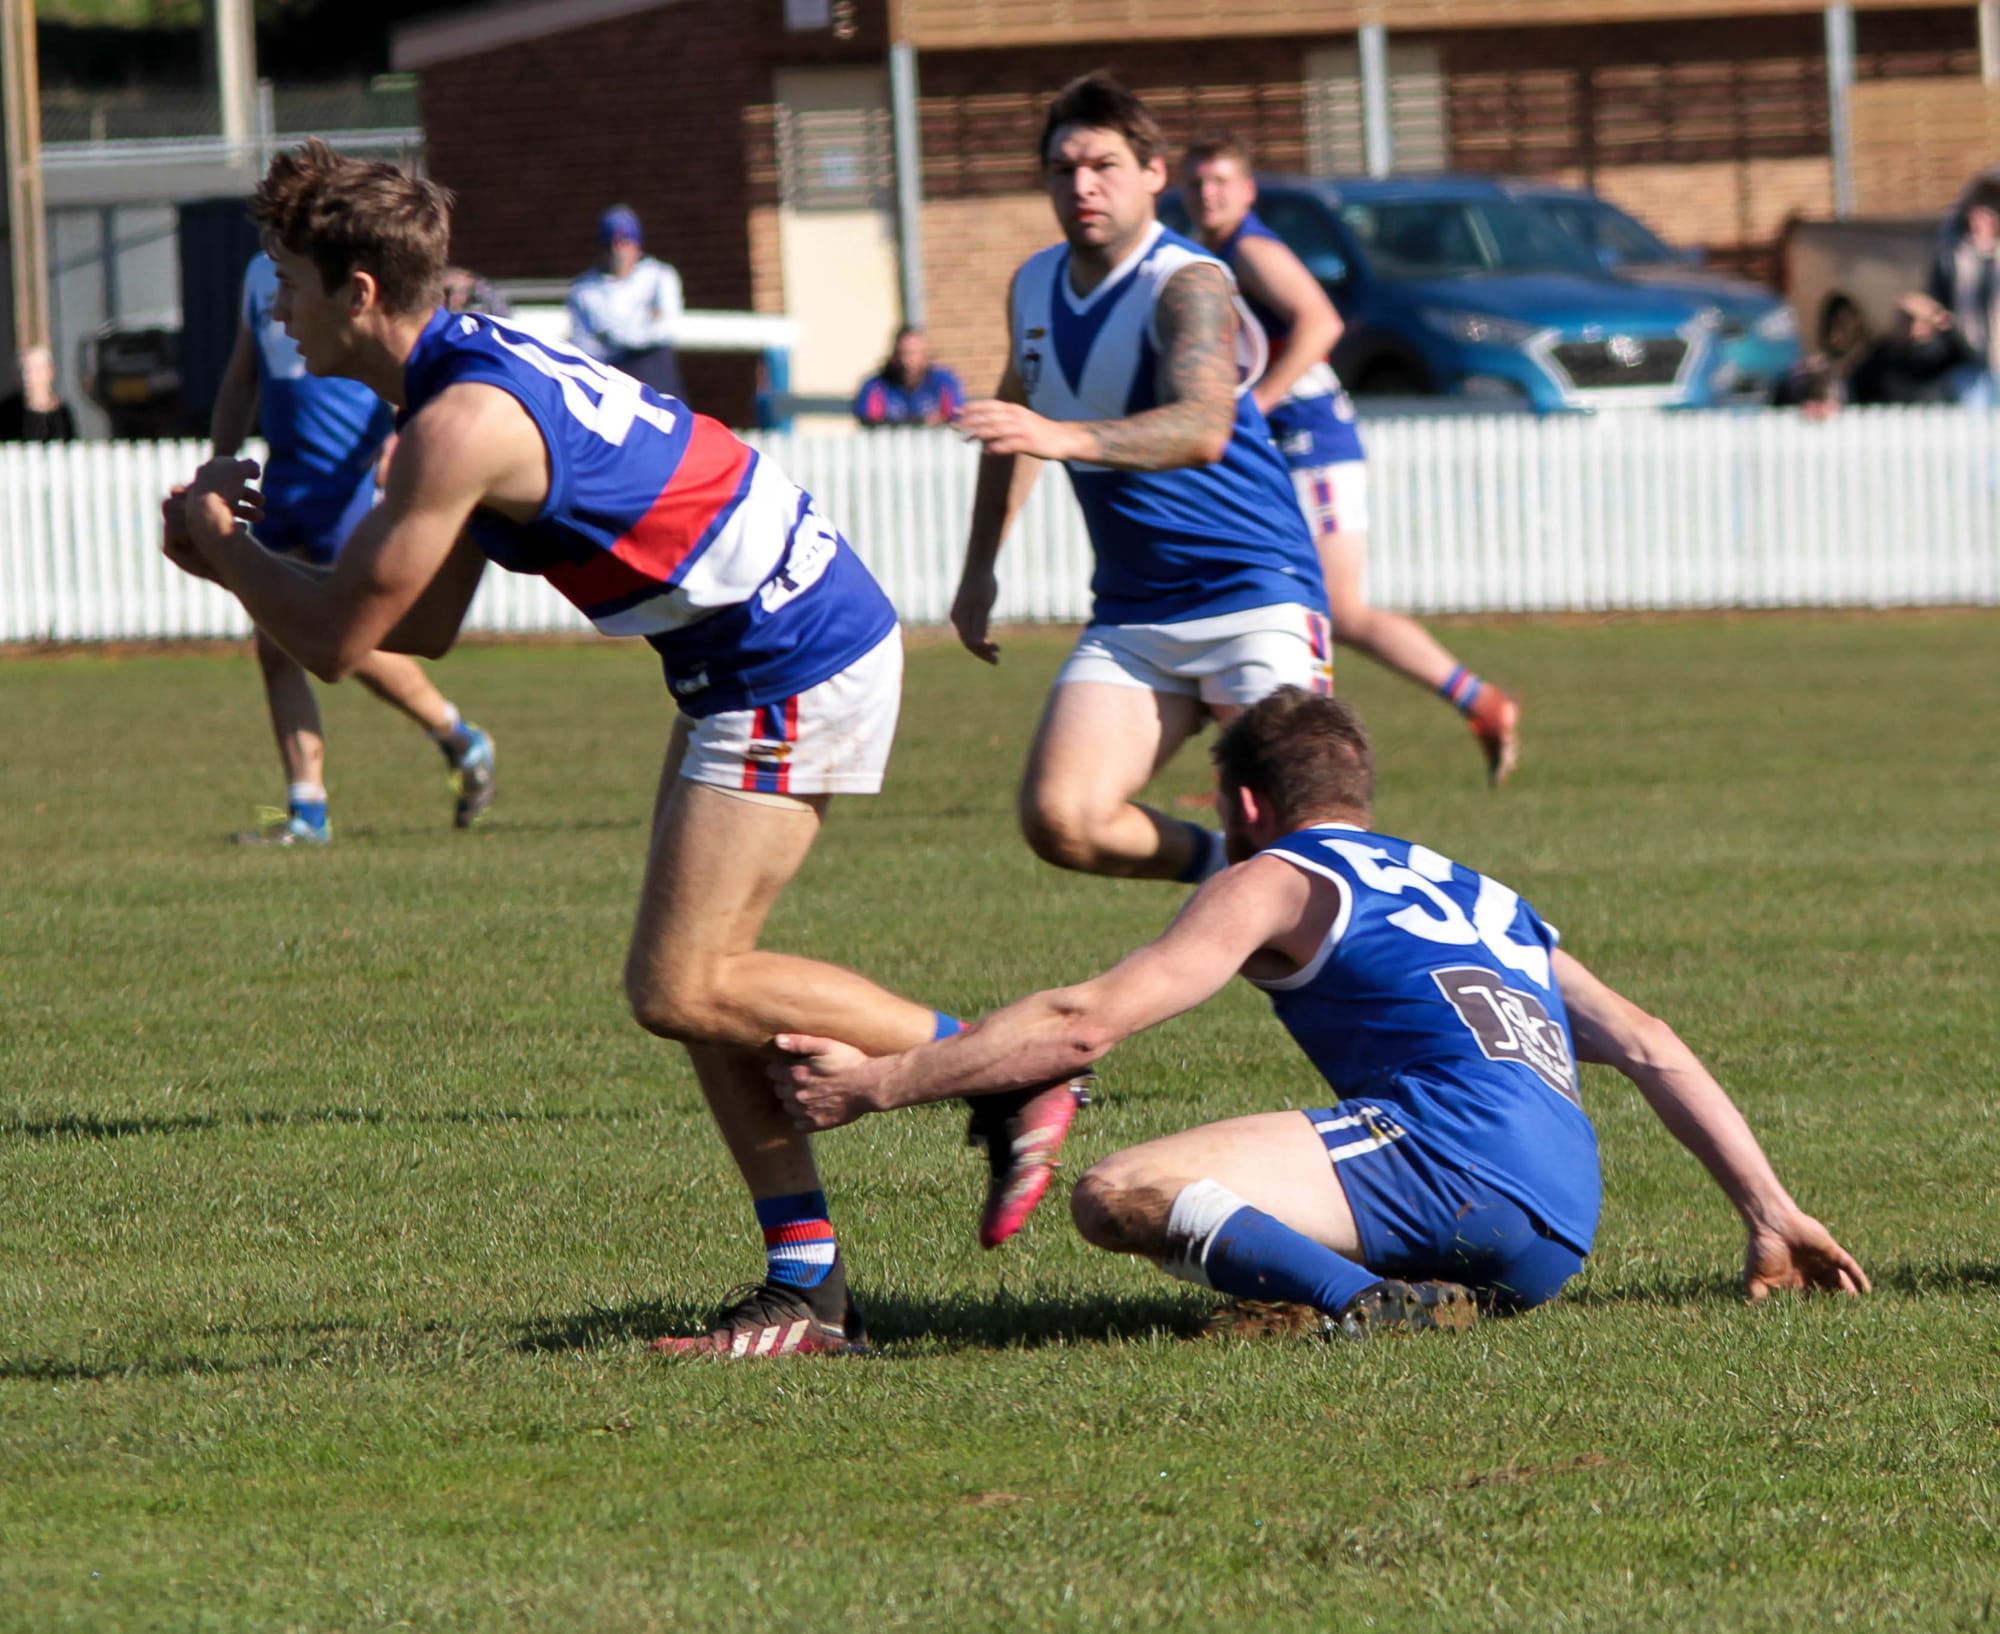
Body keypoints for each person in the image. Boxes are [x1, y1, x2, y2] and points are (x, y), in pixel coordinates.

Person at [162, 140, 1074, 1358]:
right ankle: (806, 1287)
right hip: (751, 645)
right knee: (691, 984)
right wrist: (263, 552)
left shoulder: (458, 420)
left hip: (788, 648)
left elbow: (335, 643)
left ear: (360, 292)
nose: (276, 312)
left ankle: (1002, 1067)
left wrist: (222, 547)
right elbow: (418, 620)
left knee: (681, 982)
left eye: (288, 283)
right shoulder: (450, 387)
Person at [775, 687, 1870, 1337]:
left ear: (1243, 805)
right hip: (1557, 1225)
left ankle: (1361, 1307)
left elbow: (1081, 1021)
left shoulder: (1277, 875)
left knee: (1123, 1191)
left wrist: (873, 1086)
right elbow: (1647, 1043)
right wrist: (1768, 1211)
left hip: (1453, 1161)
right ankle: (1408, 1293)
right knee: (1233, 1185)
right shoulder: (1477, 892)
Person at [951, 75, 1330, 889]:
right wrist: (980, 567)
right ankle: (1230, 867)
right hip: (1136, 611)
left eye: (1104, 165)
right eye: (1062, 168)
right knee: (1064, 819)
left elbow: (1203, 427)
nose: (1082, 185)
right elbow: (1015, 425)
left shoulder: (1187, 282)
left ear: (1155, 172)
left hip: (1256, 594)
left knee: (1312, 845)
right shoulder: (1032, 285)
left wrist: (1061, 437)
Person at [1183, 134, 1522, 786]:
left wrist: (1253, 405)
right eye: (1197, 183)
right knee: (1252, 591)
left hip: (1311, 438)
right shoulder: (1213, 255)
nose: (1209, 194)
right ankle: (1248, 768)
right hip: (1282, 447)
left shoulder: (1252, 248)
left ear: (1248, 189)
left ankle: (1477, 702)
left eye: (1222, 181)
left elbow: (1321, 324)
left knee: (1335, 608)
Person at [212, 249, 497, 845]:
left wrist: (403, 439)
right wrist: (220, 464)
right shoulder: (257, 274)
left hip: (346, 480)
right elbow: (243, 375)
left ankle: (456, 734)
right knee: (276, 645)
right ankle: (307, 810)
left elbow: (399, 356)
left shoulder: (341, 264)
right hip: (285, 480)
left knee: (348, 637)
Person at [567, 205, 683, 400]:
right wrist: (642, 320)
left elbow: (665, 328)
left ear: (637, 245)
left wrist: (611, 336)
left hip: (655, 373)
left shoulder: (659, 277)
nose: (617, 250)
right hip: (611, 377)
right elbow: (583, 344)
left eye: (625, 242)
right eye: (610, 243)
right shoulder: (583, 290)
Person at [1928, 180, 2000, 408]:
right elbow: (1938, 302)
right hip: (1969, 364)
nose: (1977, 221)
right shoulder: (1954, 257)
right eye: (1974, 215)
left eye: (1986, 215)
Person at [1845, 293, 1975, 407]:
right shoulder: (1881, 356)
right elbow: (1855, 388)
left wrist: (1938, 317)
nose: (1913, 327)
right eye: (1906, 320)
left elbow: (1968, 358)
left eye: (1920, 321)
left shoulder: (1944, 354)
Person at [852, 326, 963, 427]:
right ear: (894, 355)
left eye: (915, 353)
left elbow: (955, 417)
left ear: (925, 355)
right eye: (903, 353)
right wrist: (922, 421)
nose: (907, 361)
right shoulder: (875, 386)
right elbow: (868, 421)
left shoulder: (944, 381)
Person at [0, 346, 77, 442]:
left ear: (50, 372)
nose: (28, 377)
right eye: (25, 370)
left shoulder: (63, 413)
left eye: (36, 370)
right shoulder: (8, 410)